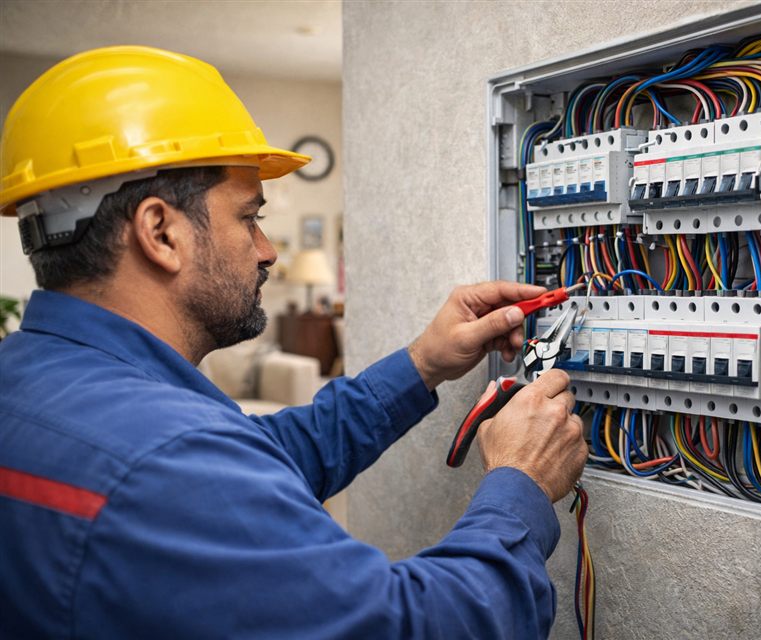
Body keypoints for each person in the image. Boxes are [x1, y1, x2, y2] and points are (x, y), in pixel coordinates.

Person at [0, 46, 588, 638]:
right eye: (247, 217)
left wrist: (423, 363)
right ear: (161, 232)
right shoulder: (168, 462)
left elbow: (267, 454)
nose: (267, 250)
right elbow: (418, 627)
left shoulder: (30, 384)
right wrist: (521, 482)